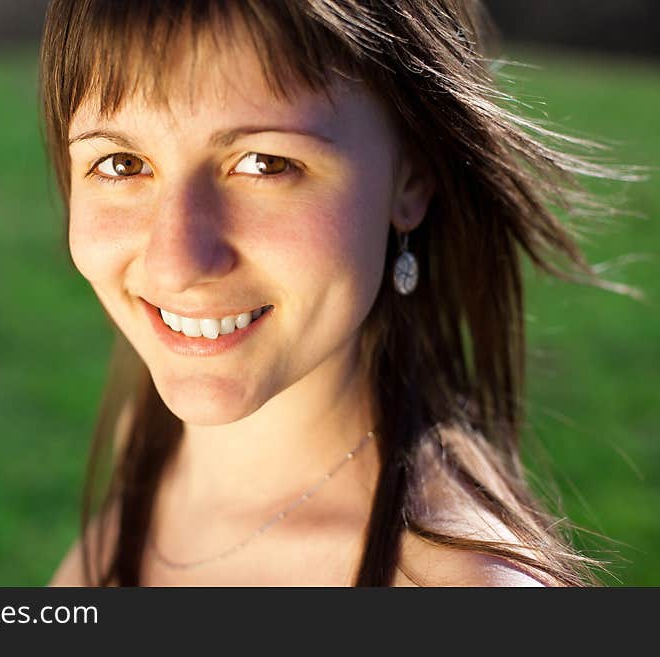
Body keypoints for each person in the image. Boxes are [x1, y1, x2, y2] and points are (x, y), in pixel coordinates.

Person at [39, 0, 630, 586]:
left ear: (412, 179)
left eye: (266, 163)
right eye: (121, 163)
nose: (175, 266)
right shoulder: (156, 453)